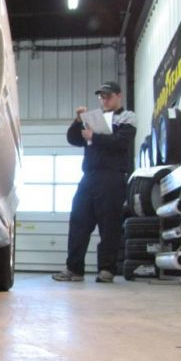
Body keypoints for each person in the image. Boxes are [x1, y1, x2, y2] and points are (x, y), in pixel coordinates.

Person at [52, 81, 137, 283]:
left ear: (119, 96)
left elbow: (121, 142)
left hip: (112, 177)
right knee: (79, 221)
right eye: (101, 97)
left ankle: (106, 270)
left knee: (109, 225)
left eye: (108, 96)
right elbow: (74, 139)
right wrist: (77, 121)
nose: (104, 100)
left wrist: (95, 137)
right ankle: (74, 269)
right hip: (89, 176)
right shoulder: (93, 119)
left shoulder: (127, 117)